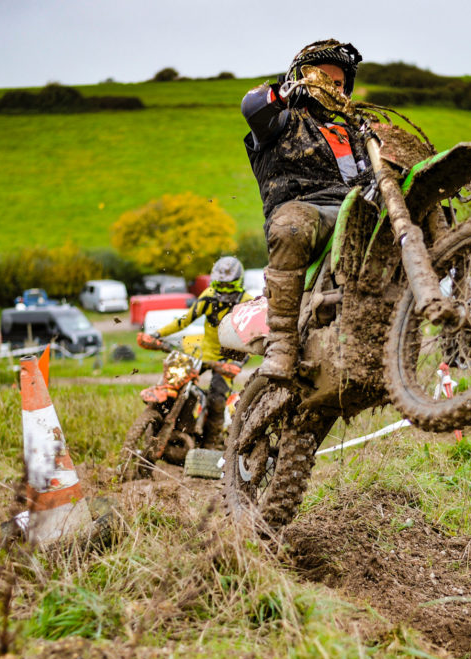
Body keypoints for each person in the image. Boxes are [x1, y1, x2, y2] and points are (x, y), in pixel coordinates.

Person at [241, 39, 372, 380]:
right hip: (309, 210)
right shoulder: (281, 121)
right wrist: (282, 94)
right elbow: (253, 107)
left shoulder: (357, 132)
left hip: (359, 211)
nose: (331, 87)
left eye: (338, 82)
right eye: (321, 78)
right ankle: (282, 344)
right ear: (301, 79)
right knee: (293, 223)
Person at [148, 256, 253, 449]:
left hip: (229, 359)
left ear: (238, 283)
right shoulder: (208, 295)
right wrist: (157, 334)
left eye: (228, 286)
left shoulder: (247, 304)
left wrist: (238, 364)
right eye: (220, 285)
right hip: (204, 353)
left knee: (217, 400)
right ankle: (163, 427)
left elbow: (252, 337)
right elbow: (184, 320)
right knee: (174, 382)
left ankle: (210, 445)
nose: (224, 291)